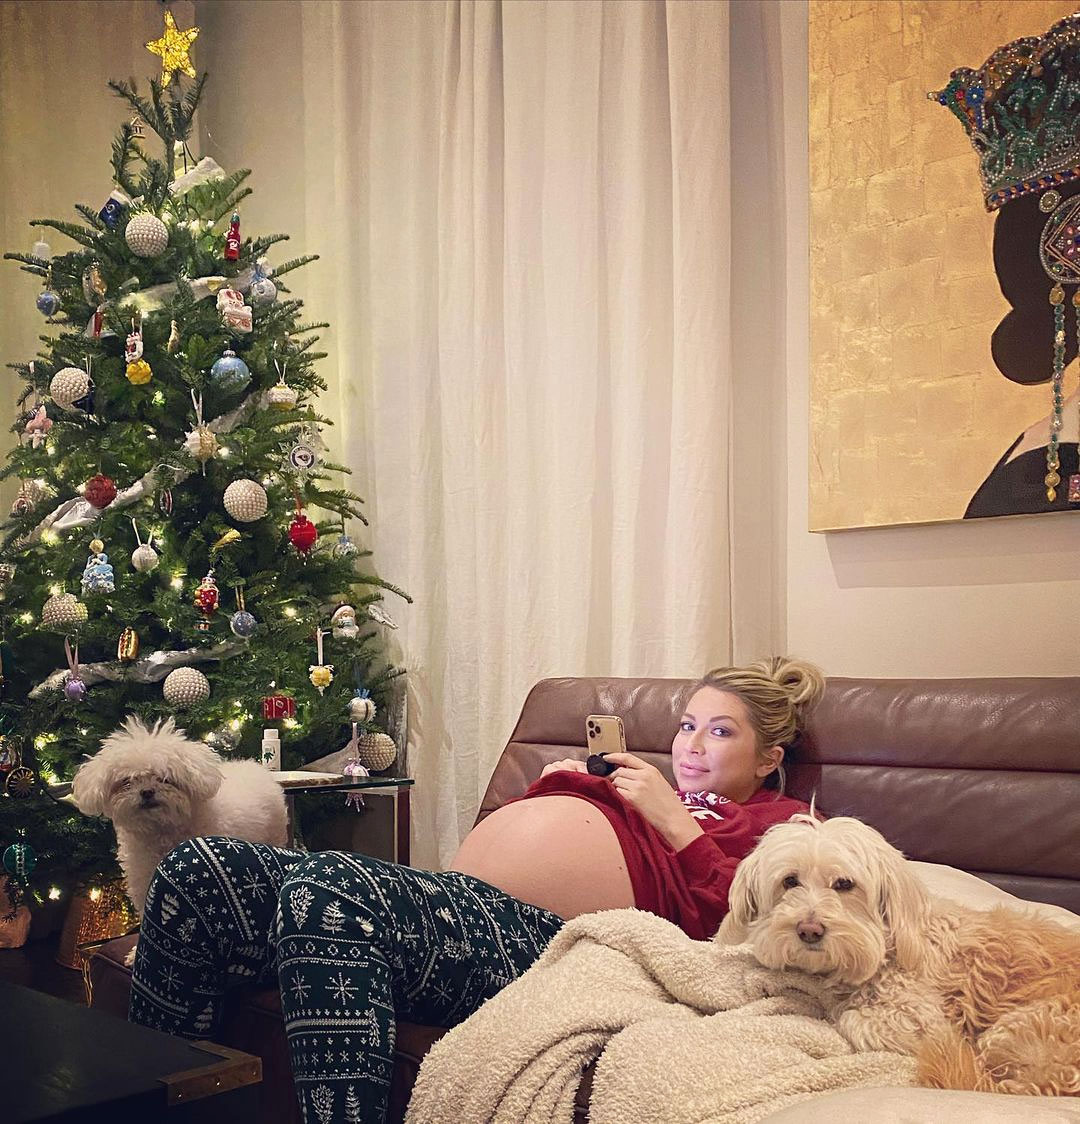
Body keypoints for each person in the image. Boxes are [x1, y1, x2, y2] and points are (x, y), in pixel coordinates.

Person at [129, 657, 824, 1124]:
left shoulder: (785, 826)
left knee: (329, 885)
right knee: (198, 867)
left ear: (769, 758)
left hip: (559, 944)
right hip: (462, 905)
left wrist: (676, 823)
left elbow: (740, 931)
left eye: (720, 732)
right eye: (687, 726)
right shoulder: (650, 783)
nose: (692, 744)